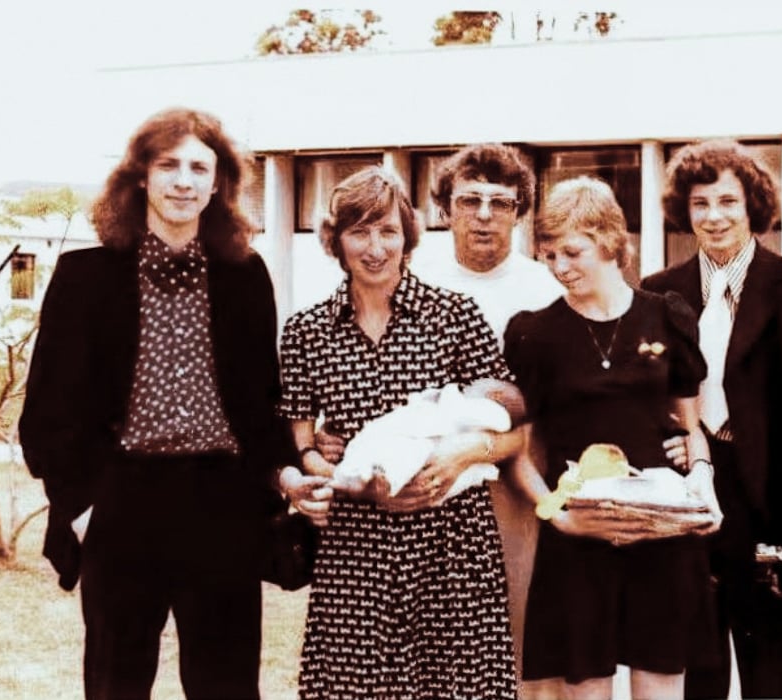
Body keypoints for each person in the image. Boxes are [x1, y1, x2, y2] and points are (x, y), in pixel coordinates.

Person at [313, 143, 690, 672]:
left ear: (520, 212)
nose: (485, 215)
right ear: (445, 208)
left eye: (502, 202)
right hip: (421, 492)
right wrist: (333, 437)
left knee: (519, 648)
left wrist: (683, 435)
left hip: (524, 485)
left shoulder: (548, 283)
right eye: (470, 201)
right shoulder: (409, 276)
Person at [18, 108, 295, 699]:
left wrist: (273, 485)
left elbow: (263, 403)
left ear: (218, 183)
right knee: (116, 687)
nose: (183, 181)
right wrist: (83, 508)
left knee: (226, 688)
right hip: (120, 504)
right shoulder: (83, 277)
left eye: (200, 167)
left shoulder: (246, 276)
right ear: (140, 175)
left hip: (222, 505)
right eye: (168, 164)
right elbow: (47, 414)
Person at [276, 166, 519, 698]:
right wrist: (330, 471)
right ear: (335, 241)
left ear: (407, 236)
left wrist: (460, 455)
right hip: (357, 548)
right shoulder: (306, 333)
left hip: (452, 546)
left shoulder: (455, 315)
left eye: (387, 231)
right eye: (358, 231)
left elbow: (512, 429)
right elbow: (298, 442)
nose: (375, 247)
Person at [643, 138, 782, 699]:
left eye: (727, 202)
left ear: (753, 207)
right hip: (692, 505)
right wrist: (673, 441)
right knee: (698, 677)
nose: (714, 217)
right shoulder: (657, 292)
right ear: (683, 210)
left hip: (775, 511)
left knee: (770, 678)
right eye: (700, 204)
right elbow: (647, 400)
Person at [503, 176, 721, 700]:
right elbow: (519, 452)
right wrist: (560, 516)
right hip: (580, 536)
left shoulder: (667, 316)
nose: (559, 267)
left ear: (607, 240)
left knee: (661, 681)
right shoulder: (535, 333)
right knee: (585, 686)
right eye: (548, 255)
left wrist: (704, 486)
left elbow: (692, 433)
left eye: (572, 252)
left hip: (660, 533)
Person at [331, 377, 527, 500]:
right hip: (414, 439)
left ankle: (379, 481)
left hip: (432, 451)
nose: (466, 388)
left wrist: (448, 394)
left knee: (411, 454)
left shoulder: (495, 413)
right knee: (381, 449)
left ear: (494, 394)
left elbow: (516, 437)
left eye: (473, 386)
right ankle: (353, 476)